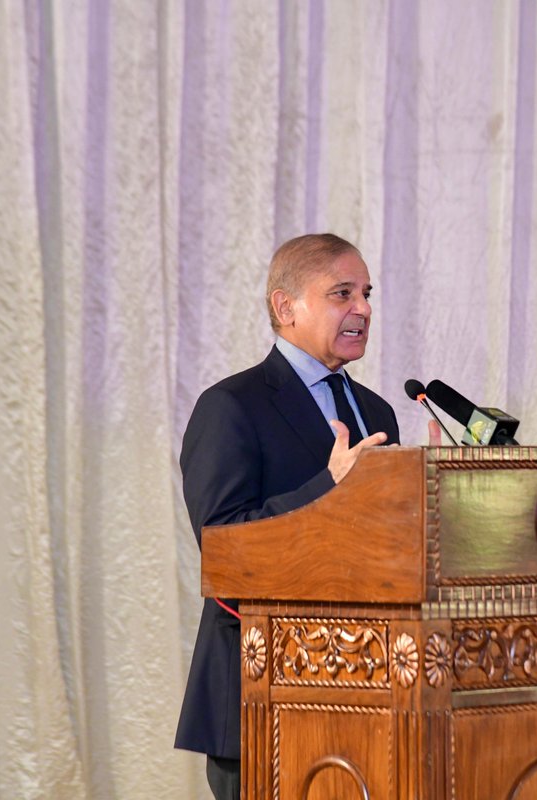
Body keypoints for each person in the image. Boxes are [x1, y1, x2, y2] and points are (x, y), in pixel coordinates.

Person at [175, 233, 400, 800]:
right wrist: (330, 485)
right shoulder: (230, 406)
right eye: (342, 293)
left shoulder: (376, 412)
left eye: (367, 294)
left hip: (366, 694)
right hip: (261, 696)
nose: (364, 309)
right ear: (285, 307)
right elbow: (224, 544)